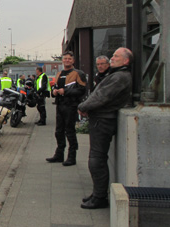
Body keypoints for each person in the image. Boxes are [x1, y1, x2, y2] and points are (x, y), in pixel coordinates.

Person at [77, 47, 133, 209]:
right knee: (96, 159)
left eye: (116, 56)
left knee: (96, 160)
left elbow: (101, 96)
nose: (112, 58)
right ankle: (97, 193)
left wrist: (83, 106)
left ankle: (100, 197)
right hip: (100, 119)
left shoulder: (120, 77)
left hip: (103, 121)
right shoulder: (115, 75)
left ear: (126, 60)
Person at [46, 50, 87, 166]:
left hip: (71, 106)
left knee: (70, 131)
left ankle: (72, 157)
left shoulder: (78, 73)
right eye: (65, 59)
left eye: (69, 59)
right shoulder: (59, 74)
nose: (67, 60)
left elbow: (82, 90)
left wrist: (66, 91)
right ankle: (59, 154)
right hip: (60, 105)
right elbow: (56, 86)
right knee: (59, 131)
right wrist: (54, 92)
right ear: (62, 60)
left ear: (73, 61)